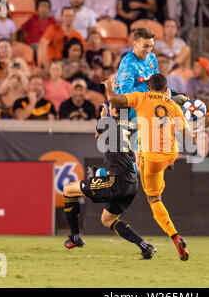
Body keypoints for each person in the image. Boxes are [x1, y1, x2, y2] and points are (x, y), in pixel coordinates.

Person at [102, 73, 209, 261]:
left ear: (149, 87)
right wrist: (203, 125)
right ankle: (169, 164)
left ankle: (175, 236)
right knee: (170, 136)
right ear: (165, 89)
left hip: (151, 158)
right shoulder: (173, 105)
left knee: (154, 199)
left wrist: (108, 86)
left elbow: (113, 99)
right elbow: (189, 136)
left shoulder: (141, 97)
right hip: (170, 154)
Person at [61, 102, 157, 260]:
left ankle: (75, 237)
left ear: (114, 110)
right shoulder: (135, 127)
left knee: (68, 190)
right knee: (108, 219)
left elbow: (97, 134)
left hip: (116, 182)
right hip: (132, 184)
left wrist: (102, 117)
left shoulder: (107, 123)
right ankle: (145, 246)